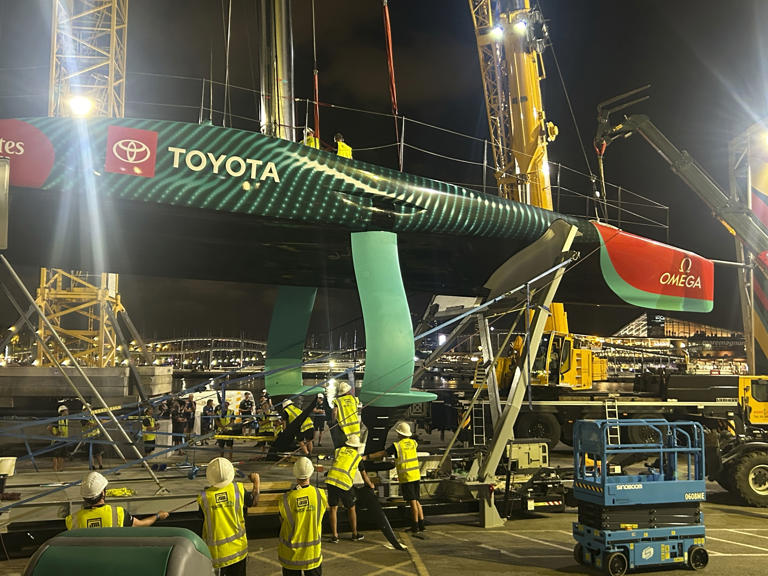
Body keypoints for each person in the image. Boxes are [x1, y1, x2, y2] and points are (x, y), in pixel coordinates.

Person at [198, 458, 260, 575]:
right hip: (238, 551)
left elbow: (202, 518)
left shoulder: (204, 497)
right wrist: (256, 482)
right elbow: (254, 502)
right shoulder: (237, 490)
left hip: (216, 554)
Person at [367, 421, 424, 535]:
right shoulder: (413, 443)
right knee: (417, 501)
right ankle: (421, 524)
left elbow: (383, 453)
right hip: (416, 475)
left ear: (400, 434)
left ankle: (415, 526)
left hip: (407, 477)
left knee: (412, 502)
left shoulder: (397, 445)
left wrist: (367, 457)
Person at [66, 471, 169, 529]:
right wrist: (158, 516)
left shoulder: (73, 520)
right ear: (103, 493)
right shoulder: (118, 513)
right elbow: (140, 524)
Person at [278, 457, 327, 576]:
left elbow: (282, 519)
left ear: (295, 473)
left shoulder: (287, 498)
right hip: (312, 553)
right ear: (311, 473)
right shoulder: (320, 494)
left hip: (291, 554)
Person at [325, 434, 373, 543]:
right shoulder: (357, 457)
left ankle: (335, 536)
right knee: (351, 507)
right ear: (357, 447)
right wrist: (371, 485)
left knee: (333, 508)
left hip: (331, 480)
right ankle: (355, 533)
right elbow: (364, 476)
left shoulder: (339, 450)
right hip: (344, 482)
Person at [82, 406, 104, 470]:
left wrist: (100, 422)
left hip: (96, 436)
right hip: (88, 438)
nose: (89, 410)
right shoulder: (83, 418)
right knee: (90, 453)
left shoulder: (94, 416)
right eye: (87, 409)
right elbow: (90, 424)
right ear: (84, 410)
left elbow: (101, 421)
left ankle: (100, 465)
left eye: (89, 408)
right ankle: (92, 466)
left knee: (98, 452)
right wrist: (99, 423)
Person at [48, 404, 69, 472]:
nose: (67, 412)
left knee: (62, 455)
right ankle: (55, 469)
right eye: (66, 411)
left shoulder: (66, 420)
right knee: (56, 455)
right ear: (62, 412)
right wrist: (55, 434)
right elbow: (49, 427)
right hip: (57, 440)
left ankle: (60, 468)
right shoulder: (58, 420)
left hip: (64, 440)